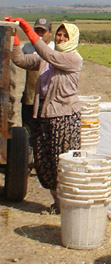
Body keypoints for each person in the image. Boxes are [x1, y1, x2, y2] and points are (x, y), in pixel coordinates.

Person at [5, 17, 83, 213]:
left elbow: (48, 54)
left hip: (64, 118)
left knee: (61, 162)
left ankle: (65, 206)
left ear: (73, 39)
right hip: (45, 115)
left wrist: (26, 29)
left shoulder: (73, 59)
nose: (61, 37)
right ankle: (57, 202)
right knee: (44, 161)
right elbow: (19, 59)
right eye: (59, 33)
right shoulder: (46, 59)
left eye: (65, 35)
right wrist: (14, 37)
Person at [20, 18, 54, 144]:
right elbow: (16, 56)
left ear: (50, 32)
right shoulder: (27, 48)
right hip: (30, 95)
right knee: (28, 130)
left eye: (42, 31)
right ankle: (28, 159)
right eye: (37, 30)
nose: (39, 34)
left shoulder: (54, 49)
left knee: (45, 132)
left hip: (47, 98)